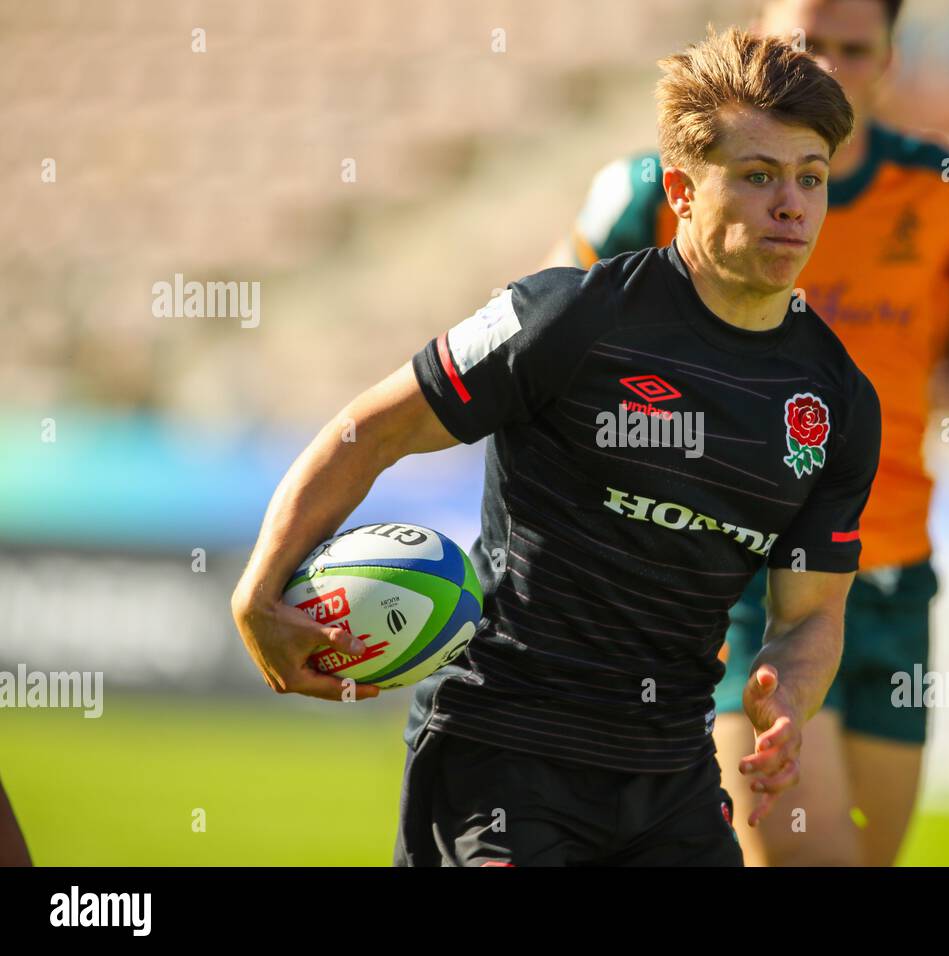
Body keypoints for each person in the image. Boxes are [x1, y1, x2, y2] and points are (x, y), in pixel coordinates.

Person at [232, 27, 884, 867]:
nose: (791, 204)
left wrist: (789, 698)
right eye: (758, 177)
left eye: (811, 178)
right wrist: (259, 586)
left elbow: (810, 616)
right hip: (501, 755)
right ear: (682, 192)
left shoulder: (837, 401)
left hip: (671, 779)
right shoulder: (566, 318)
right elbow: (371, 430)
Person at [543, 0, 949, 866]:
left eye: (853, 48)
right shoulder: (663, 189)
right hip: (743, 575)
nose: (828, 67)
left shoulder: (941, 189)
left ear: (891, 60)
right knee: (809, 858)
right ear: (761, 44)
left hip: (893, 574)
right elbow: (548, 345)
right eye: (806, 45)